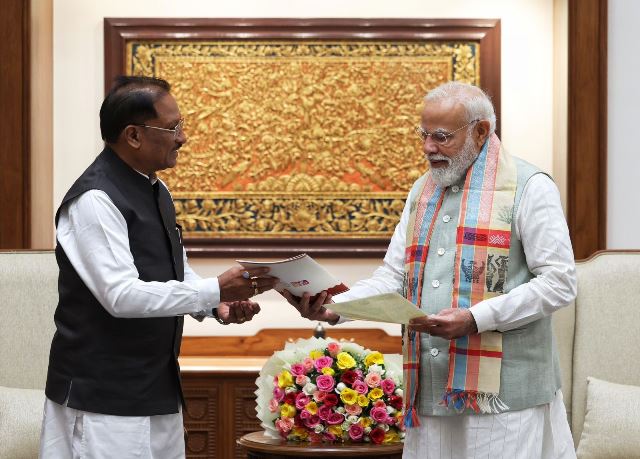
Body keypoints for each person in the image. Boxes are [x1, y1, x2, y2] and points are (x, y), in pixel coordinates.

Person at [285, 82, 577, 458]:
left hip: (504, 399)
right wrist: (335, 307)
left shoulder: (529, 187)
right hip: (431, 391)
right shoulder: (422, 190)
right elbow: (394, 277)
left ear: (481, 131)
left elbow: (559, 282)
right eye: (423, 134)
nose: (428, 147)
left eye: (441, 136)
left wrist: (476, 318)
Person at [39, 76, 278, 458]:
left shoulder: (156, 189)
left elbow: (175, 270)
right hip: (103, 398)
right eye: (172, 128)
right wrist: (215, 289)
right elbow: (121, 296)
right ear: (133, 135)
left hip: (157, 388)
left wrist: (215, 306)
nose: (182, 138)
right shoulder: (95, 199)